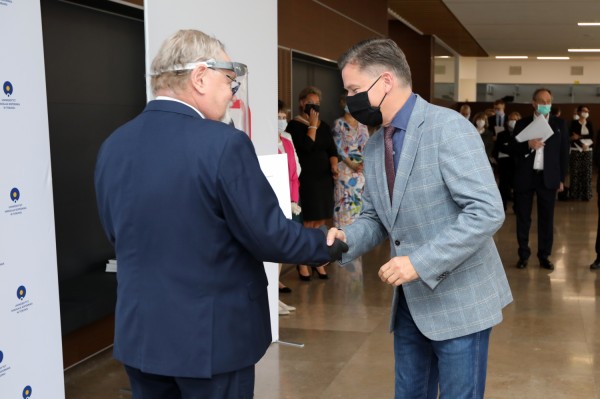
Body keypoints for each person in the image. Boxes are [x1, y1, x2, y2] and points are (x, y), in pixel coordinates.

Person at [94, 29, 346, 399]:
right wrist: (324, 243)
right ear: (199, 77)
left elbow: (116, 232)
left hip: (141, 336)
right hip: (211, 342)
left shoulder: (114, 145)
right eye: (229, 80)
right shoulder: (223, 144)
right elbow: (268, 234)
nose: (232, 92)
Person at [328, 38, 512, 399]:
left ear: (384, 82)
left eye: (354, 90)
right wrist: (345, 240)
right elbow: (375, 216)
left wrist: (419, 262)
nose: (350, 100)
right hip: (411, 304)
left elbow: (487, 211)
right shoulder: (375, 144)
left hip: (460, 301)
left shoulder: (449, 128)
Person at [511, 88, 569, 270]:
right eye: (542, 101)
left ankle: (544, 255)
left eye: (548, 101)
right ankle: (523, 254)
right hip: (526, 177)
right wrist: (528, 144)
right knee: (523, 218)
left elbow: (563, 154)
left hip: (548, 178)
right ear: (534, 103)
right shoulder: (522, 123)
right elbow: (513, 149)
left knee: (546, 219)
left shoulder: (559, 124)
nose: (546, 105)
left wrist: (561, 179)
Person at [287, 86, 339, 280]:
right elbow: (306, 147)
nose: (314, 107)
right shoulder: (294, 126)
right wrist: (312, 125)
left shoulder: (324, 126)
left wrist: (334, 165)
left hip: (324, 179)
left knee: (321, 220)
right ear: (302, 103)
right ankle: (303, 261)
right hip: (307, 181)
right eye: (310, 103)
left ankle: (315, 259)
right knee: (308, 222)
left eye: (317, 104)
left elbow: (332, 150)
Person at [277, 100, 301, 314]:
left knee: (281, 248)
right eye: (278, 117)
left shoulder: (286, 140)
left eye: (284, 118)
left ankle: (276, 295)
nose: (282, 122)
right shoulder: (266, 141)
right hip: (271, 199)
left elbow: (295, 171)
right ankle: (271, 295)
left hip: (287, 199)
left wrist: (293, 199)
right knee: (272, 248)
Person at [332, 93, 369, 227]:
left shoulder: (362, 125)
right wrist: (352, 164)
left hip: (360, 170)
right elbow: (338, 147)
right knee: (345, 200)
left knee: (359, 200)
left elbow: (367, 145)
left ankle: (358, 233)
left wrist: (362, 163)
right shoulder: (339, 123)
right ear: (343, 104)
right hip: (345, 170)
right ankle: (343, 232)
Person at [493, 111, 521, 211]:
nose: (513, 121)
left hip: (518, 164)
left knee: (517, 187)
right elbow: (498, 148)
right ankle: (502, 207)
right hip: (504, 165)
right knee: (503, 187)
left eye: (515, 120)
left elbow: (520, 149)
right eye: (511, 119)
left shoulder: (521, 134)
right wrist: (512, 149)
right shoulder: (501, 134)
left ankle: (517, 207)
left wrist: (509, 148)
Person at [569, 105, 594, 201]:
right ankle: (575, 195)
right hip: (576, 149)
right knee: (575, 172)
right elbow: (572, 136)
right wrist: (580, 139)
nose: (586, 112)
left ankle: (586, 195)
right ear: (579, 112)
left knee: (587, 173)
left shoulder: (589, 123)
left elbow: (591, 136)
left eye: (587, 111)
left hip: (588, 150)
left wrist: (579, 137)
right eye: (584, 110)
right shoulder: (574, 123)